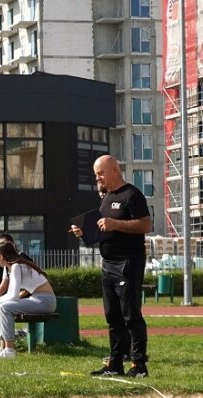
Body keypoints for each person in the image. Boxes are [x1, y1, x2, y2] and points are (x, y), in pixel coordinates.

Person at [70, 154, 152, 377]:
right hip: (107, 263)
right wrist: (84, 231)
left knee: (130, 314)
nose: (98, 178)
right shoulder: (106, 198)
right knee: (112, 316)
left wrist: (115, 223)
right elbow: (103, 229)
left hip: (128, 262)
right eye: (96, 174)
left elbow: (146, 224)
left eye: (101, 173)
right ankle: (115, 364)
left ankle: (138, 365)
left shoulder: (132, 195)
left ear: (114, 170)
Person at [0, 242, 56, 359]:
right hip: (37, 298)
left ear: (2, 256)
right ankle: (3, 348)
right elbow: (11, 294)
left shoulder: (16, 266)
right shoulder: (10, 267)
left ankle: (10, 350)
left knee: (4, 307)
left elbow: (13, 296)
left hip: (45, 301)